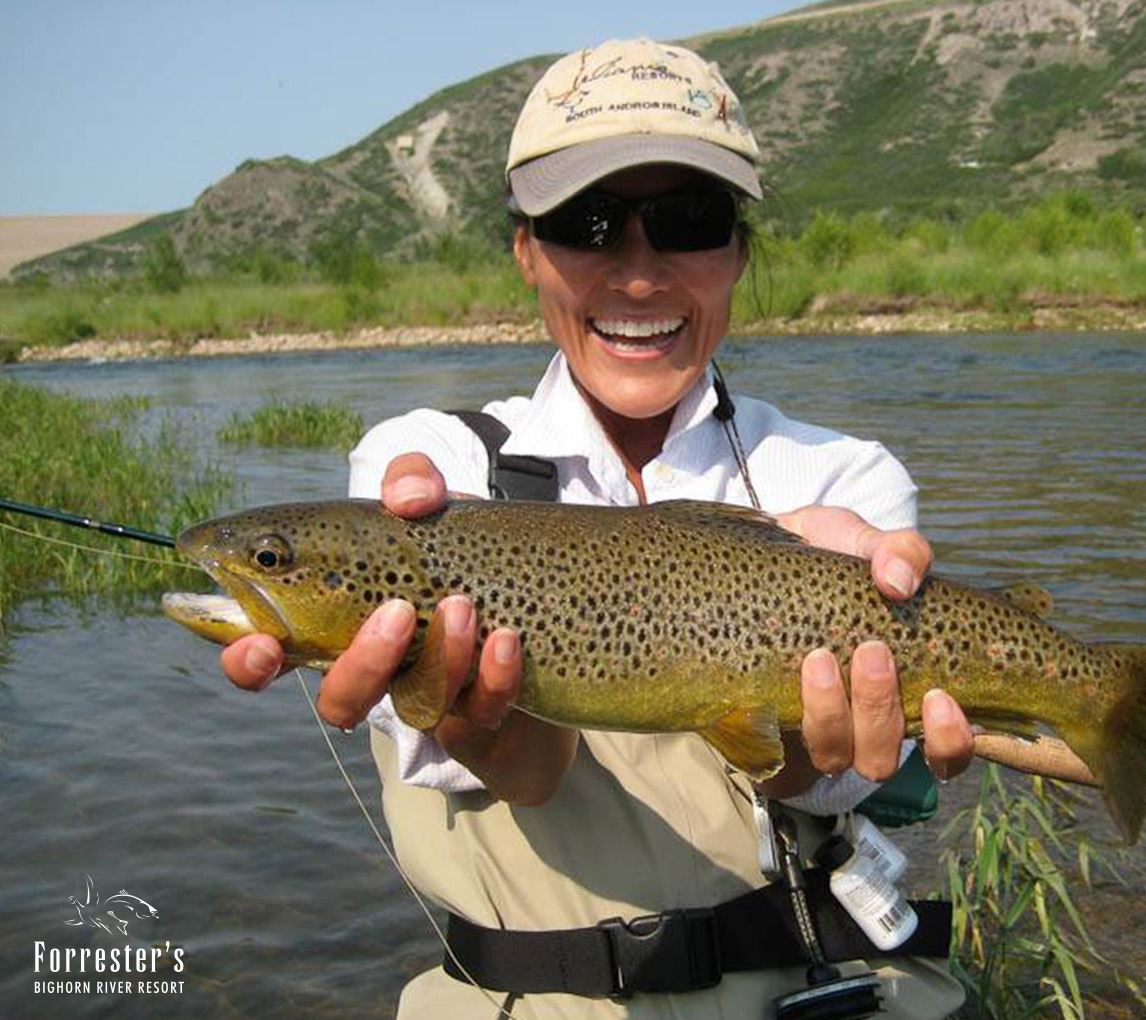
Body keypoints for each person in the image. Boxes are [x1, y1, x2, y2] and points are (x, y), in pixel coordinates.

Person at [221, 38, 975, 1018]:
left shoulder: (843, 482)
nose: (636, 273)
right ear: (525, 248)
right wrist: (475, 714)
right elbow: (525, 776)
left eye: (686, 221)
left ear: (739, 249)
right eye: (585, 224)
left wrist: (807, 745)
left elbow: (824, 785)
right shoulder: (429, 476)